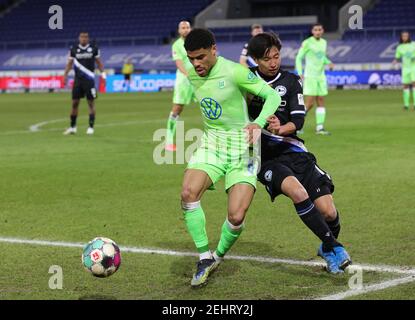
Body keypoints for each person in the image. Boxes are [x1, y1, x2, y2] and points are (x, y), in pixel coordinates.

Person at [181, 28, 281, 287]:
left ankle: (218, 256)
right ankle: (204, 257)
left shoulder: (234, 71)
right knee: (188, 194)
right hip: (212, 145)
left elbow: (272, 95)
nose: (196, 64)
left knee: (236, 216)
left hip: (244, 150)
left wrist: (258, 123)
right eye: (191, 59)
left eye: (201, 57)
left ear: (214, 49)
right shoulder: (192, 75)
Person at [247, 32, 351, 273]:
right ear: (255, 60)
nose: (273, 62)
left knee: (328, 210)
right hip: (264, 156)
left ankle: (326, 248)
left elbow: (299, 120)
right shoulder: (247, 81)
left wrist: (281, 128)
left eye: (276, 56)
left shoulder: (291, 81)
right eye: (266, 59)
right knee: (297, 191)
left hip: (293, 149)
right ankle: (335, 247)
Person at [63, 31, 105, 135]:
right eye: (82, 37)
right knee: (74, 103)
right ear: (79, 38)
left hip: (89, 81)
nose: (84, 39)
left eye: (86, 37)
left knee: (91, 103)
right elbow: (69, 63)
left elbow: (99, 63)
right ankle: (73, 127)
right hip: (78, 81)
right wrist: (65, 75)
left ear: (88, 38)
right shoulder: (73, 49)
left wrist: (103, 75)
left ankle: (91, 127)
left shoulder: (94, 49)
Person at [295, 23, 333, 135]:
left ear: (322, 31)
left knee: (321, 100)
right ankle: (297, 125)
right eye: (315, 30)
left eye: (319, 29)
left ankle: (320, 128)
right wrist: (300, 72)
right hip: (310, 76)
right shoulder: (307, 43)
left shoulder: (324, 42)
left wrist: (329, 62)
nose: (317, 31)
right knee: (310, 103)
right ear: (312, 31)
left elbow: (321, 57)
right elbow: (298, 58)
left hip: (321, 76)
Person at [165, 21, 194, 151]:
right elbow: (179, 63)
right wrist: (188, 75)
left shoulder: (196, 42)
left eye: (187, 27)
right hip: (184, 80)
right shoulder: (177, 45)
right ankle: (169, 140)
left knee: (209, 105)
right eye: (183, 28)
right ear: (179, 31)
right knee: (177, 108)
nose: (186, 29)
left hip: (199, 79)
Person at [392, 31, 415, 110]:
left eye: (406, 36)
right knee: (405, 86)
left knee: (414, 84)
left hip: (413, 67)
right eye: (403, 36)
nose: (405, 37)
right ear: (401, 37)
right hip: (405, 68)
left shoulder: (413, 44)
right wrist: (395, 61)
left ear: (409, 37)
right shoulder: (400, 47)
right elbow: (397, 57)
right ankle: (406, 105)